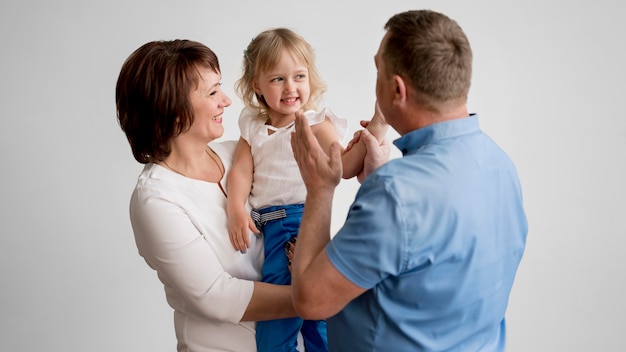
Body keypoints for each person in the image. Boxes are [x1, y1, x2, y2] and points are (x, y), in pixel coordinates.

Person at [289, 9, 528, 351]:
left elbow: (311, 301)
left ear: (397, 89)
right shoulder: (499, 163)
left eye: (378, 70)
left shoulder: (396, 193)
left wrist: (319, 189)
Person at [115, 39, 301, 352]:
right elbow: (216, 296)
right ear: (172, 109)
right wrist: (323, 295)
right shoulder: (156, 200)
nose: (226, 101)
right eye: (212, 92)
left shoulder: (238, 156)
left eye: (220, 87)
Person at [227, 28, 387, 352]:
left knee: (302, 318)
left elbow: (340, 166)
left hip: (300, 224)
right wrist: (235, 207)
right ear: (256, 85)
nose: (291, 87)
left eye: (299, 76)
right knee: (300, 310)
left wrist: (375, 133)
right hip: (269, 228)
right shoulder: (254, 128)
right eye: (277, 79)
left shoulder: (315, 124)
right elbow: (242, 170)